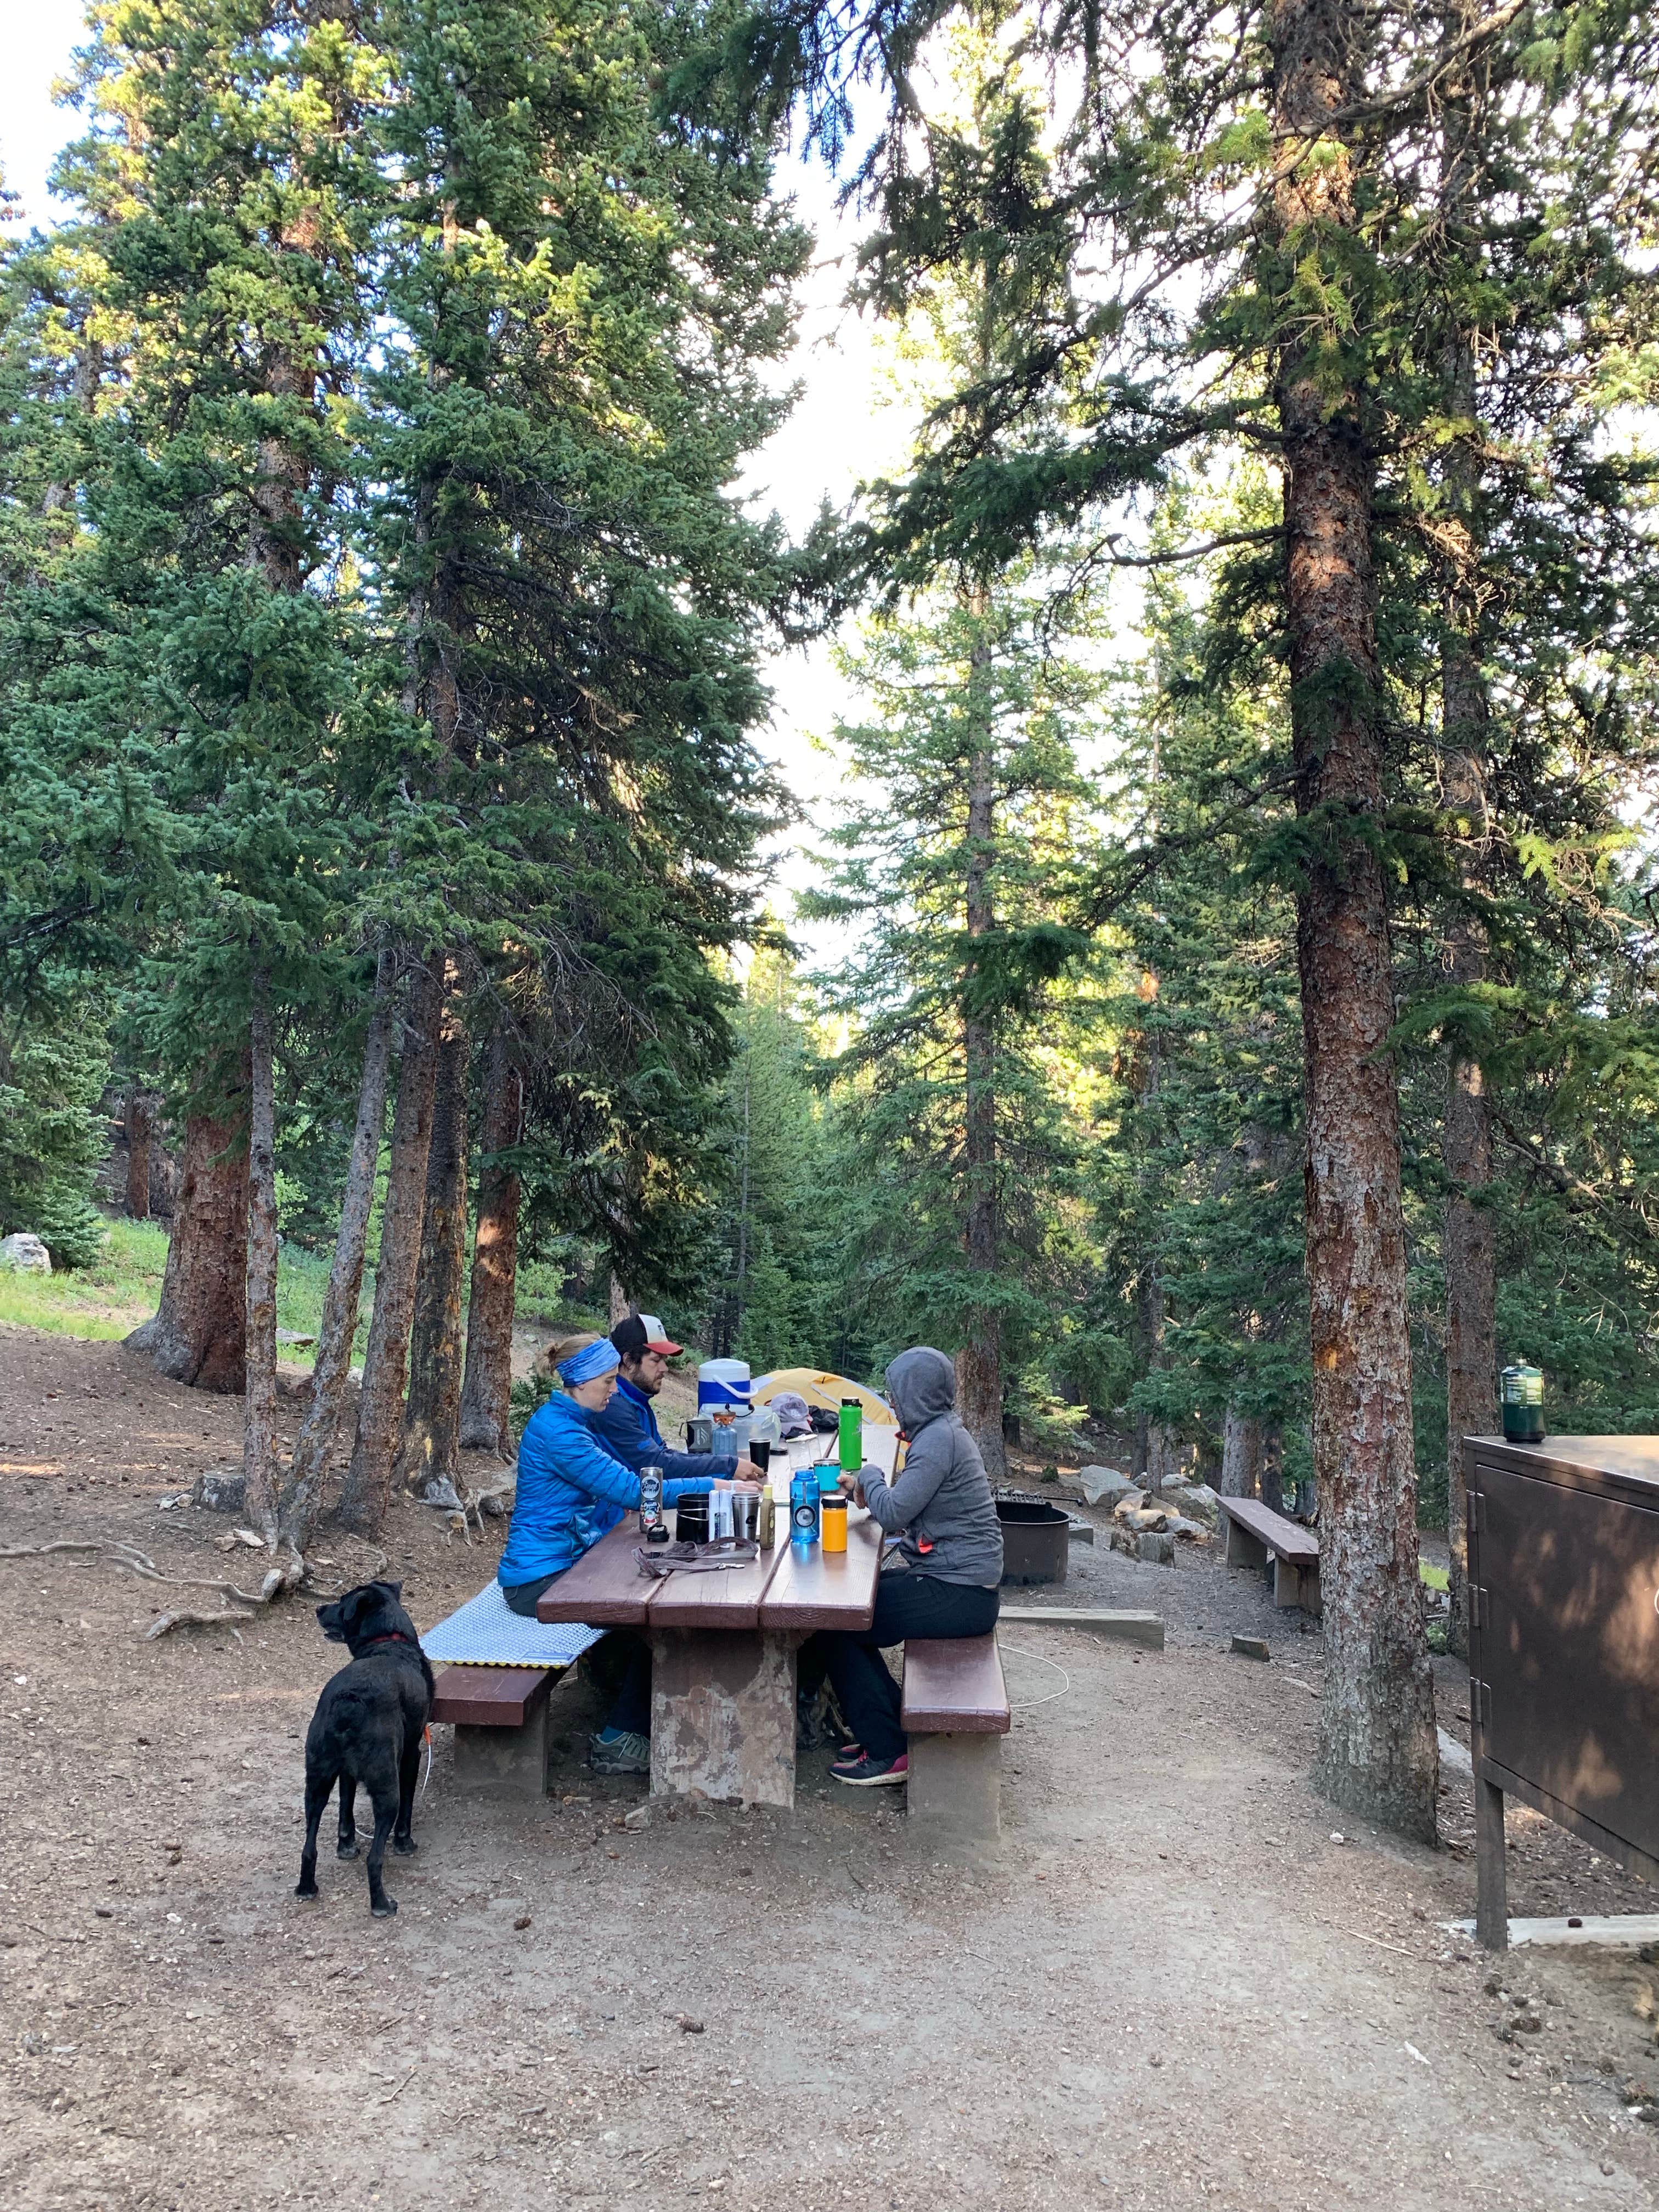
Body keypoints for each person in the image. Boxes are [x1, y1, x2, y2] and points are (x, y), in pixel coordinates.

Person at [496, 1333, 749, 1776]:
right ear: (580, 1381)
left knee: (654, 1605)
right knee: (655, 1621)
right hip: (538, 1579)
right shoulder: (561, 1434)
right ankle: (620, 1738)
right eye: (608, 1382)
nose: (614, 1391)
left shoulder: (571, 1421)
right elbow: (635, 1490)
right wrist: (717, 1486)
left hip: (564, 1563)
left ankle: (628, 1710)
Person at [814, 1345, 1003, 1787]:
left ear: (917, 1394)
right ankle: (885, 1728)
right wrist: (867, 1486)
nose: (894, 1402)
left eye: (898, 1393)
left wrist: (870, 1475)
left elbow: (895, 1512)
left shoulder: (938, 1440)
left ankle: (888, 1749)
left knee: (839, 1623)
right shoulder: (940, 1432)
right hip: (955, 1578)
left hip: (961, 1591)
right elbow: (905, 1506)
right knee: (854, 1609)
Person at [590, 1312, 765, 1486]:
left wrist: (726, 1473)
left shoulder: (638, 1399)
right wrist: (728, 1466)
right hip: (614, 1511)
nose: (665, 1368)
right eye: (656, 1360)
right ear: (628, 1361)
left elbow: (664, 1455)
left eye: (664, 1360)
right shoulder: (612, 1405)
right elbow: (657, 1464)